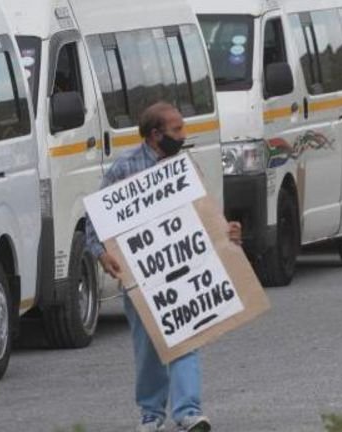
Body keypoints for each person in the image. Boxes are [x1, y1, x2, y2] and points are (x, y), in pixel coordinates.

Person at [84, 101, 243, 432]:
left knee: (186, 336)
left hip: (183, 269)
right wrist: (102, 254)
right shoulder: (124, 169)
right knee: (149, 347)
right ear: (156, 134)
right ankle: (151, 414)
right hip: (141, 275)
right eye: (177, 130)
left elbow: (205, 214)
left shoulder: (185, 168)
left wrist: (226, 234)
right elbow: (94, 222)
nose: (183, 136)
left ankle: (188, 412)